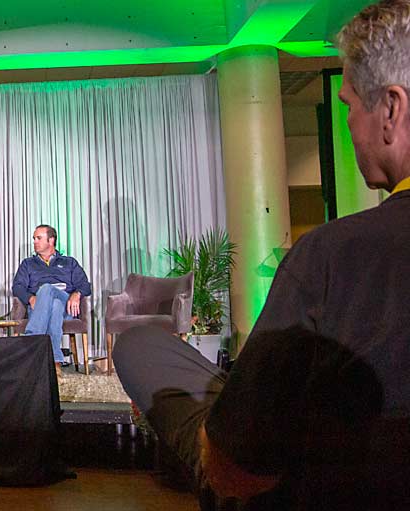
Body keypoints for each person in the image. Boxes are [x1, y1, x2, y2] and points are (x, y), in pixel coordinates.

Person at [114, 1, 410, 508]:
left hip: (301, 486)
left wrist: (226, 445)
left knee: (140, 345)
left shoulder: (330, 257)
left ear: (390, 109)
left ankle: (230, 407)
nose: (350, 127)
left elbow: (239, 471)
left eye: (348, 106)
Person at [11, 224, 91, 376]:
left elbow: (85, 285)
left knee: (47, 289)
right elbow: (17, 287)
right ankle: (56, 362)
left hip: (66, 303)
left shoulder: (69, 262)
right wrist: (30, 298)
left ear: (51, 240)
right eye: (34, 238)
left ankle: (32, 339)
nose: (34, 241)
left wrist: (77, 293)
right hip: (41, 307)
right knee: (54, 305)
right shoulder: (28, 264)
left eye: (38, 238)